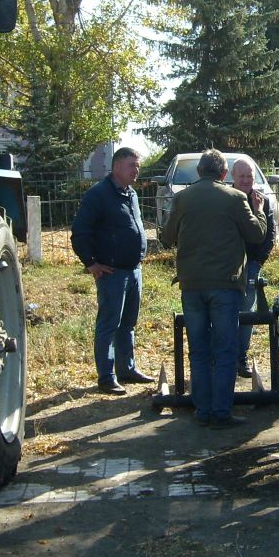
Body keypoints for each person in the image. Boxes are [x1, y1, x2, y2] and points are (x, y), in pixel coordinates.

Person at [159, 149, 267, 428]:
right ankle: (221, 412)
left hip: (191, 284)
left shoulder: (182, 198)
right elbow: (256, 233)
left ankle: (202, 410)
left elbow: (167, 238)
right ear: (223, 174)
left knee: (199, 349)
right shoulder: (235, 198)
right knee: (226, 349)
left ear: (199, 172)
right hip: (225, 285)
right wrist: (259, 212)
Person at [70, 147, 153, 395]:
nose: (135, 171)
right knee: (109, 324)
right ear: (116, 166)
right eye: (131, 165)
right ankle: (106, 377)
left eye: (137, 166)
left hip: (133, 270)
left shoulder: (131, 194)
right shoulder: (98, 195)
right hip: (111, 273)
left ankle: (127, 368)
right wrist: (91, 263)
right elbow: (80, 232)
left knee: (128, 323)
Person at [232, 156, 277, 378]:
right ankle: (226, 357)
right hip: (228, 266)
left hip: (251, 264)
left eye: (249, 176)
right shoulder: (227, 199)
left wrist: (258, 262)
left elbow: (270, 234)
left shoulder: (262, 200)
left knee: (246, 311)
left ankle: (241, 357)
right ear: (233, 177)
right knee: (225, 311)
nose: (246, 180)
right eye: (242, 176)